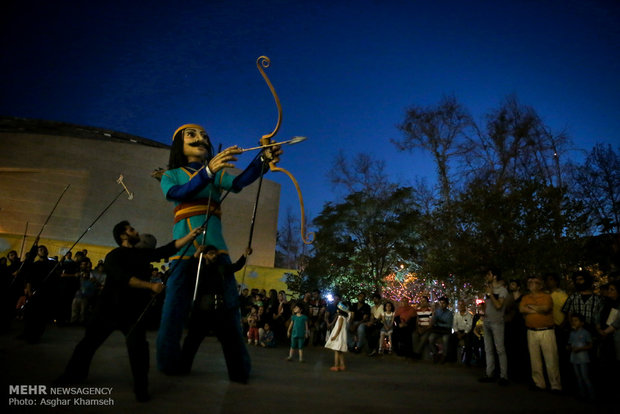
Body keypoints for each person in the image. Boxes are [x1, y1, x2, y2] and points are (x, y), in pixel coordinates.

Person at [156, 123, 281, 373]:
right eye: (191, 135)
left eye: (204, 135)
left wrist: (262, 160)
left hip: (218, 252)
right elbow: (178, 193)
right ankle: (168, 364)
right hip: (184, 252)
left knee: (231, 312)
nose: (200, 138)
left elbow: (238, 183)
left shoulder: (216, 174)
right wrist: (208, 171)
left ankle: (239, 369)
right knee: (174, 311)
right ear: (178, 145)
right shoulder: (173, 175)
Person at [56, 221, 202, 402]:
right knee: (87, 344)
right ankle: (74, 374)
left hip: (133, 313)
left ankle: (141, 388)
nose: (136, 231)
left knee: (139, 351)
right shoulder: (113, 256)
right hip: (108, 310)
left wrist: (191, 236)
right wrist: (150, 286)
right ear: (123, 236)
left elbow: (167, 249)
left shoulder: (142, 254)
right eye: (132, 230)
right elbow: (124, 278)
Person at [178, 245, 252, 382]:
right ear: (205, 255)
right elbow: (187, 270)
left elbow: (234, 267)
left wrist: (245, 255)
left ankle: (237, 375)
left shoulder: (219, 268)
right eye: (211, 254)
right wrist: (196, 254)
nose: (214, 256)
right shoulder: (198, 268)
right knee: (192, 341)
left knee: (230, 342)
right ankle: (183, 367)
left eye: (215, 254)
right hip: (201, 311)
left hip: (219, 310)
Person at [519, 275, 562, 393]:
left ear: (540, 285)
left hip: (546, 331)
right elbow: (522, 309)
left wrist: (531, 308)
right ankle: (539, 383)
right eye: (529, 282)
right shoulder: (525, 297)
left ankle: (555, 385)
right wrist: (538, 309)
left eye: (534, 282)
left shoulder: (547, 297)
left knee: (551, 359)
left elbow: (546, 308)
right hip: (531, 330)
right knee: (535, 360)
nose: (531, 284)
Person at [479, 267, 509, 385]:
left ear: (495, 276)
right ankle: (489, 373)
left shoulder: (502, 290)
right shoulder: (488, 289)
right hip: (487, 321)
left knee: (500, 349)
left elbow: (498, 306)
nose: (487, 276)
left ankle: (504, 376)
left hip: (497, 322)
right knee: (488, 349)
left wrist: (491, 294)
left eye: (489, 274)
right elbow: (488, 305)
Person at [567, 314, 596, 401]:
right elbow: (570, 344)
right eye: (572, 320)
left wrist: (581, 348)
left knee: (585, 377)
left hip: (583, 358)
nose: (574, 322)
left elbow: (590, 345)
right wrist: (569, 348)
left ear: (582, 323)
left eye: (576, 320)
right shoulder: (572, 333)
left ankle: (592, 396)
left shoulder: (585, 333)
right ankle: (582, 394)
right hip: (574, 358)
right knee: (578, 377)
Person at [428, 296, 454, 363]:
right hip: (437, 330)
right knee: (430, 338)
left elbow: (448, 325)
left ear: (447, 304)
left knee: (445, 340)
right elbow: (434, 321)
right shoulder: (437, 311)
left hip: (445, 331)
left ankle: (444, 356)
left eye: (443, 303)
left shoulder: (449, 313)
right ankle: (435, 353)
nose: (442, 305)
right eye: (441, 303)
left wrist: (439, 322)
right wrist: (435, 318)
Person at [325, 302, 350, 371]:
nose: (337, 310)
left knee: (336, 351)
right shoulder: (344, 318)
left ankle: (336, 365)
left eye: (338, 309)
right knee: (340, 351)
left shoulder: (340, 317)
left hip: (339, 336)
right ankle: (342, 365)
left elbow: (339, 328)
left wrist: (335, 336)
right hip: (341, 335)